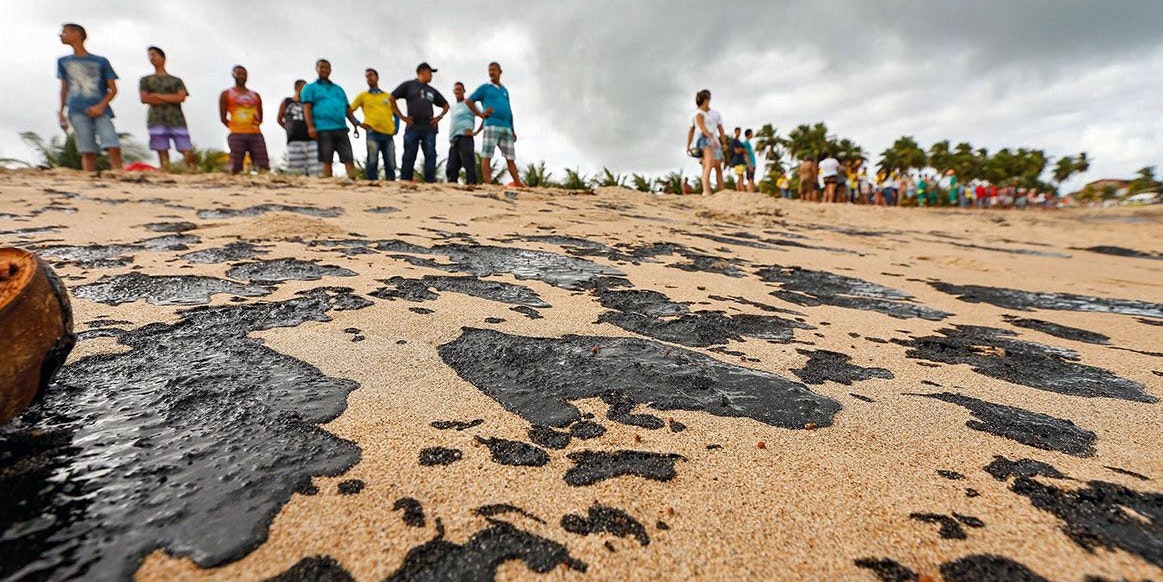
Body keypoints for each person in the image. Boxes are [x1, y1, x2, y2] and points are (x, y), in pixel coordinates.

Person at [57, 23, 122, 172]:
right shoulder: (63, 61)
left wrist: (100, 106)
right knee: (86, 149)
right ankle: (89, 178)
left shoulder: (101, 61)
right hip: (76, 109)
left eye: (65, 32)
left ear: (77, 34)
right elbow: (64, 88)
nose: (61, 35)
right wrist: (61, 111)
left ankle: (119, 173)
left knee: (111, 142)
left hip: (101, 109)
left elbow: (112, 89)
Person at [466, 62, 524, 187]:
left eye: (494, 70)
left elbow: (509, 110)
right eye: (489, 70)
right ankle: (488, 184)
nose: (491, 72)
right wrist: (480, 114)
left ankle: (518, 183)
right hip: (491, 125)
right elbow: (469, 101)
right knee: (487, 155)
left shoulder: (504, 90)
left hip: (506, 127)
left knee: (510, 157)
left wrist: (513, 129)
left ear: (500, 72)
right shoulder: (484, 88)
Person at [391, 62, 448, 183]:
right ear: (422, 72)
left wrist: (439, 117)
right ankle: (405, 181)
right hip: (413, 126)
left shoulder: (432, 90)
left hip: (429, 128)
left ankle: (430, 182)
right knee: (409, 155)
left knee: (431, 155)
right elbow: (391, 98)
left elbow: (446, 105)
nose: (431, 76)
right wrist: (402, 117)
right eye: (430, 73)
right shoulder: (409, 85)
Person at [302, 59, 361, 178]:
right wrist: (310, 127)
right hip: (323, 128)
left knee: (348, 157)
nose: (324, 70)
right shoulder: (310, 88)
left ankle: (354, 181)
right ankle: (329, 183)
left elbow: (347, 109)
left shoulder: (338, 89)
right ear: (317, 69)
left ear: (330, 70)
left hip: (341, 127)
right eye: (322, 67)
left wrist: (355, 123)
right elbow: (307, 108)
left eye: (327, 67)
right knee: (326, 158)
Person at [139, 46, 194, 171]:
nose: (151, 58)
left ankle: (191, 170)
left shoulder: (176, 80)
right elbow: (145, 98)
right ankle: (166, 170)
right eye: (149, 55)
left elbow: (181, 97)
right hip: (156, 118)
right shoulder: (146, 80)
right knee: (161, 148)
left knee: (185, 147)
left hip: (176, 119)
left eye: (154, 54)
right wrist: (170, 97)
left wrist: (157, 95)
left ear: (163, 57)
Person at [218, 65, 269, 174]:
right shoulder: (226, 94)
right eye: (239, 73)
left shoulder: (255, 95)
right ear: (233, 75)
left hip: (255, 133)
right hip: (236, 133)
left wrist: (254, 124)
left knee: (263, 164)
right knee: (236, 165)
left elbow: (260, 115)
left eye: (244, 74)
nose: (241, 76)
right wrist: (235, 126)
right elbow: (223, 117)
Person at [350, 68, 397, 180]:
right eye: (367, 76)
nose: (369, 78)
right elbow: (349, 110)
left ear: (377, 77)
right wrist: (357, 123)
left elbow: (396, 113)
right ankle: (371, 184)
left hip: (388, 134)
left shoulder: (387, 96)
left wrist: (396, 127)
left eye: (371, 75)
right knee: (372, 161)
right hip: (373, 133)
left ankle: (391, 184)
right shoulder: (363, 96)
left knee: (390, 162)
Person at [684, 89, 725, 195]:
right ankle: (706, 191)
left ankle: (721, 191)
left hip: (714, 139)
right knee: (708, 163)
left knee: (717, 166)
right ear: (705, 99)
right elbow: (698, 128)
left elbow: (720, 128)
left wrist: (723, 142)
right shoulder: (698, 114)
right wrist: (688, 145)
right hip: (703, 139)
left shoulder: (715, 113)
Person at [277, 80, 321, 176]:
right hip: (294, 140)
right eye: (304, 88)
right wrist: (288, 129)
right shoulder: (287, 101)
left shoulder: (311, 103)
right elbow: (279, 119)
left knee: (316, 169)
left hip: (311, 139)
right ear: (296, 88)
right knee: (295, 171)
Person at [446, 82, 480, 184]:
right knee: (451, 166)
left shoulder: (470, 104)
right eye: (456, 89)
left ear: (464, 91)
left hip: (465, 138)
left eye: (460, 89)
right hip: (453, 140)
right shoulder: (453, 107)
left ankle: (472, 185)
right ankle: (452, 187)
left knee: (468, 163)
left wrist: (476, 132)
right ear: (453, 92)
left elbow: (484, 116)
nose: (458, 91)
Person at [739, 128, 758, 192]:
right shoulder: (745, 143)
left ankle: (751, 191)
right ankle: (750, 192)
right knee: (750, 179)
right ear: (749, 134)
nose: (752, 134)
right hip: (750, 163)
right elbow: (745, 155)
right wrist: (749, 164)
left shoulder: (748, 143)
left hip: (752, 163)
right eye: (752, 133)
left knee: (751, 178)